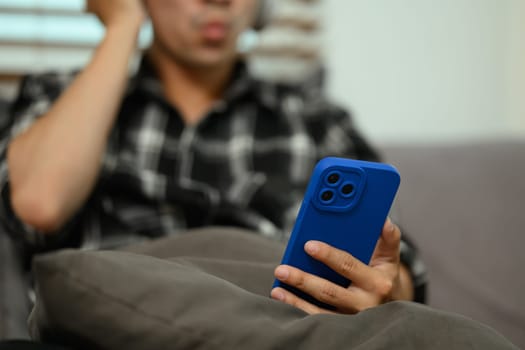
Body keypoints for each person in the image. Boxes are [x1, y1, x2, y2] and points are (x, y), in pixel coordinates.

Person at [0, 0, 437, 334]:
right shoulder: (63, 94)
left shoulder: (313, 118)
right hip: (121, 311)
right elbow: (38, 204)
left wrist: (380, 290)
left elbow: (398, 267)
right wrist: (123, 26)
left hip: (276, 316)